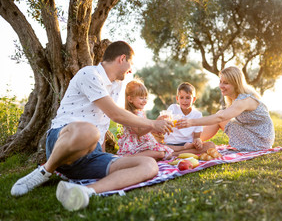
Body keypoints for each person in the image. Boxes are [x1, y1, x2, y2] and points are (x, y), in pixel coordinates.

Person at [10, 41, 173, 211]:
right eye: (130, 65)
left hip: (90, 155)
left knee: (149, 164)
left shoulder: (116, 86)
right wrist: (153, 124)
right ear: (122, 58)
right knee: (89, 130)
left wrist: (102, 156)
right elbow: (114, 114)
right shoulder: (89, 73)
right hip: (63, 141)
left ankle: (83, 192)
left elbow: (103, 123)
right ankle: (45, 171)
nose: (131, 70)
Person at [177, 66, 275, 152]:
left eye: (226, 83)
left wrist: (191, 122)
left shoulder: (244, 100)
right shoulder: (236, 99)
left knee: (220, 117)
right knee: (221, 115)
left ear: (236, 84)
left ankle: (187, 141)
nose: (221, 86)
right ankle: (188, 140)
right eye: (221, 82)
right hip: (257, 137)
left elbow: (220, 118)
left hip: (260, 141)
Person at [116, 79, 174, 160]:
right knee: (161, 153)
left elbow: (146, 129)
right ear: (130, 99)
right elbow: (139, 132)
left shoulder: (141, 112)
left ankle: (141, 158)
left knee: (168, 154)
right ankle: (129, 157)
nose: (145, 101)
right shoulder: (130, 114)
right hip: (134, 144)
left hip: (143, 142)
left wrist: (157, 126)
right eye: (141, 98)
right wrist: (154, 124)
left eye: (145, 98)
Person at [162, 82, 215, 155]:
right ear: (177, 99)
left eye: (188, 97)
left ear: (193, 99)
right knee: (161, 147)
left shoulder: (197, 115)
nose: (184, 101)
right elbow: (164, 123)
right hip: (171, 144)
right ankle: (180, 151)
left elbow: (197, 137)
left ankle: (174, 154)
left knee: (211, 145)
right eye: (181, 97)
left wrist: (198, 141)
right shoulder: (173, 108)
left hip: (188, 145)